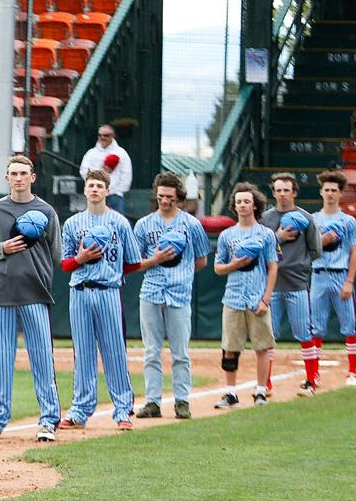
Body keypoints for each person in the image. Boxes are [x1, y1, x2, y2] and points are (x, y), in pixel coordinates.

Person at [0, 155, 62, 442]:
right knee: (1, 360)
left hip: (35, 293)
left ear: (32, 177)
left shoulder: (46, 210)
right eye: (13, 173)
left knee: (42, 358)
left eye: (23, 173)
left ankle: (49, 419)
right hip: (2, 293)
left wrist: (38, 272)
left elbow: (56, 255)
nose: (18, 178)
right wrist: (4, 248)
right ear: (7, 178)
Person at [57, 169, 142, 430]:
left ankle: (123, 410)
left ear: (107, 191)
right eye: (90, 185)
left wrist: (112, 275)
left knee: (114, 351)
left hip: (107, 291)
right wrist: (81, 260)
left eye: (99, 186)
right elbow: (65, 264)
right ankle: (80, 410)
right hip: (80, 291)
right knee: (82, 352)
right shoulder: (72, 224)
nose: (94, 189)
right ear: (84, 190)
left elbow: (134, 262)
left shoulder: (119, 222)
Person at [132, 172, 210, 420]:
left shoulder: (191, 224)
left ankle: (182, 401)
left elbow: (201, 260)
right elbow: (134, 263)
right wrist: (154, 260)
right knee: (151, 350)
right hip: (151, 291)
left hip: (179, 292)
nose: (165, 201)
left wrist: (181, 272)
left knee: (180, 352)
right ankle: (152, 402)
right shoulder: (144, 224)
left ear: (179, 197)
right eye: (161, 196)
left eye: (170, 197)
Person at [213, 182, 278, 409]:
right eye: (239, 201)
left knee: (262, 346)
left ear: (255, 205)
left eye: (246, 201)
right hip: (233, 298)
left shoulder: (266, 234)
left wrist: (265, 299)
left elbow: (273, 267)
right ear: (234, 205)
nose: (242, 205)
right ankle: (230, 392)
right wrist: (236, 263)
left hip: (256, 297)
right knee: (230, 346)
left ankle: (261, 390)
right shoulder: (226, 236)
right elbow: (218, 268)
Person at [260, 173, 322, 396]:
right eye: (278, 189)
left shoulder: (306, 217)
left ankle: (310, 382)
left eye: (287, 189)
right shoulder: (265, 219)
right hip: (272, 286)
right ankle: (265, 383)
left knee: (304, 333)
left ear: (294, 192)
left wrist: (299, 263)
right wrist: (279, 237)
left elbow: (315, 249)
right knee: (268, 335)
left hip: (297, 283)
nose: (282, 194)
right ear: (273, 192)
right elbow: (260, 249)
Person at [309, 170, 356, 387]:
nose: (329, 194)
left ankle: (353, 372)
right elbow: (308, 250)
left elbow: (353, 252)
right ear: (321, 192)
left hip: (340, 274)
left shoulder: (348, 221)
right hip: (318, 275)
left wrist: (349, 281)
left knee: (350, 325)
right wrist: (322, 240)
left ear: (340, 193)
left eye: (334, 190)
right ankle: (314, 374)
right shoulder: (313, 219)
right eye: (326, 190)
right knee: (315, 326)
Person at [79, 124, 132, 214]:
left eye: (106, 135)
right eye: (100, 135)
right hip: (95, 195)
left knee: (117, 225)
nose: (102, 137)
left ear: (113, 136)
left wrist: (114, 190)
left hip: (114, 196)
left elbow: (126, 176)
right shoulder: (91, 153)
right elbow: (83, 171)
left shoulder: (121, 153)